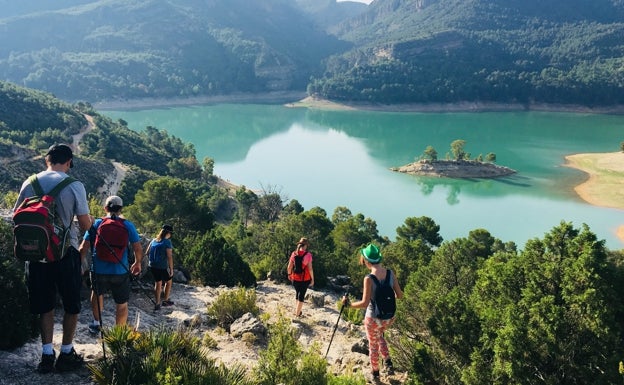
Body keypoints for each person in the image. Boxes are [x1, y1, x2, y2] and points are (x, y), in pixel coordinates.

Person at [13, 143, 94, 373]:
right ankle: (66, 352)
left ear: (46, 160)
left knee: (44, 306)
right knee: (71, 305)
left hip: (36, 254)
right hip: (65, 253)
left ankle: (47, 355)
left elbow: (17, 216)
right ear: (68, 162)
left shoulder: (30, 182)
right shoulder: (74, 185)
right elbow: (86, 224)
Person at [79, 195, 143, 334]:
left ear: (105, 208)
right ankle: (118, 333)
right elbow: (137, 248)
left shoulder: (96, 224)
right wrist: (137, 263)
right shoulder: (127, 225)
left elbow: (83, 247)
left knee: (97, 294)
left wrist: (79, 265)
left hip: (98, 270)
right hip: (120, 271)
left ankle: (97, 324)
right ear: (121, 209)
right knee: (121, 303)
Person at [342, 244, 403, 383]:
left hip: (373, 318)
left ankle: (375, 374)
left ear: (367, 261)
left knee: (372, 345)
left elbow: (364, 303)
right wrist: (387, 297)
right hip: (389, 317)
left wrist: (349, 305)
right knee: (380, 335)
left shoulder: (369, 278)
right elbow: (400, 295)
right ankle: (388, 362)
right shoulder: (390, 273)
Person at [146, 224, 174, 311]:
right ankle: (165, 300)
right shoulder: (167, 242)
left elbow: (147, 252)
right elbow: (169, 256)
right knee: (169, 282)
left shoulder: (154, 240)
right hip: (161, 266)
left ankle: (157, 303)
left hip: (152, 265)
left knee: (158, 283)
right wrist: (171, 269)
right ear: (168, 233)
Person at [286, 237, 314, 317]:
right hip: (305, 278)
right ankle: (297, 314)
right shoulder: (308, 255)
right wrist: (312, 279)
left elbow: (289, 267)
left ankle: (297, 311)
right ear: (305, 246)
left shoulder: (294, 253)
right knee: (301, 296)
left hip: (295, 277)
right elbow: (310, 269)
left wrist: (289, 274)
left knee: (297, 293)